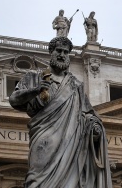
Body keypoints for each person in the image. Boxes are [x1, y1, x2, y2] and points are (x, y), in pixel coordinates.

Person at [9, 37, 112, 188]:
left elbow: (88, 113)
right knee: (36, 182)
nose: (62, 54)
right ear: (51, 52)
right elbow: (14, 100)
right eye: (58, 50)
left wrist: (94, 128)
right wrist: (36, 90)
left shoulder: (76, 85)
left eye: (65, 52)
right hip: (44, 140)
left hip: (71, 144)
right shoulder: (34, 76)